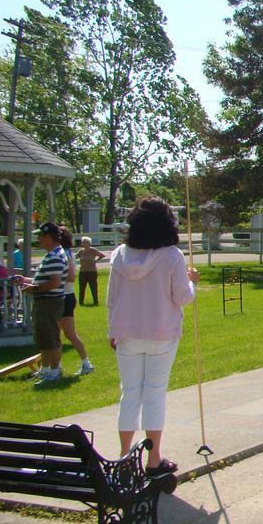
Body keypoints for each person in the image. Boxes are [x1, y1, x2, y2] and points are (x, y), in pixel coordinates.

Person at [107, 196, 199, 477]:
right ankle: (154, 458)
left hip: (127, 333)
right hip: (161, 333)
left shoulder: (120, 255)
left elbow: (112, 297)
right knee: (154, 394)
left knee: (130, 394)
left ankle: (124, 457)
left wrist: (113, 329)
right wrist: (192, 281)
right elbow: (181, 298)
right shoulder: (172, 256)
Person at [13, 223, 67, 385]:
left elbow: (54, 283)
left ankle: (54, 371)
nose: (38, 239)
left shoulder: (55, 256)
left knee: (50, 337)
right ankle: (45, 369)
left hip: (49, 302)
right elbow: (44, 279)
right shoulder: (51, 254)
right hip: (45, 301)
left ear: (49, 237)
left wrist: (34, 289)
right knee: (42, 337)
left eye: (40, 236)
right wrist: (25, 280)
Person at [57, 227, 94, 375]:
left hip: (65, 295)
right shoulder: (67, 253)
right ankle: (84, 363)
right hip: (67, 295)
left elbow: (70, 276)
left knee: (59, 334)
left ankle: (54, 366)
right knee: (67, 334)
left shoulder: (64, 254)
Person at [76, 236, 107, 305]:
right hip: (82, 272)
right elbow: (75, 257)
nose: (85, 243)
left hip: (92, 271)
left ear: (89, 243)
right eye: (83, 242)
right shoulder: (81, 251)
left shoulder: (93, 250)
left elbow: (102, 255)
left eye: (86, 242)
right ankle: (81, 302)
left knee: (93, 287)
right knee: (82, 288)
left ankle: (96, 302)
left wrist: (95, 260)